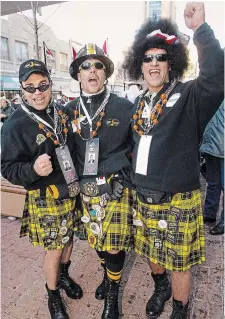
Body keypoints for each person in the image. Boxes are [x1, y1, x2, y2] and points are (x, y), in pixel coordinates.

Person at [122, 2, 224, 319]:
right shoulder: (137, 103)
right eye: (147, 58)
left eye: (160, 57)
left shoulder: (190, 95)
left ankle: (179, 308)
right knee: (152, 253)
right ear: (140, 64)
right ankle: (160, 285)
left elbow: (217, 76)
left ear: (171, 63)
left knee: (180, 263)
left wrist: (200, 30)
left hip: (179, 199)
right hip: (144, 197)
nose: (153, 63)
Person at [1, 59, 83, 319]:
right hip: (46, 195)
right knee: (55, 248)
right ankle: (53, 294)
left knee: (68, 239)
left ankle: (64, 274)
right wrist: (33, 170)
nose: (38, 93)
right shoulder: (14, 124)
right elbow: (7, 169)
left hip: (72, 189)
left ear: (50, 84)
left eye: (43, 85)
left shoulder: (61, 112)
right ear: (22, 90)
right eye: (30, 87)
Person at [66, 43, 134, 319]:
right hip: (87, 190)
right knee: (97, 241)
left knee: (114, 241)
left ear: (105, 73)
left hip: (116, 187)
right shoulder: (68, 110)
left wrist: (126, 177)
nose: (92, 70)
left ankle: (113, 295)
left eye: (98, 66)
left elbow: (138, 147)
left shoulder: (125, 107)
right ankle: (108, 275)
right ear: (78, 75)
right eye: (85, 66)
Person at [200, 100, 224, 235]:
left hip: (222, 146)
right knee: (213, 182)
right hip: (211, 146)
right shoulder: (213, 89)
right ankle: (210, 213)